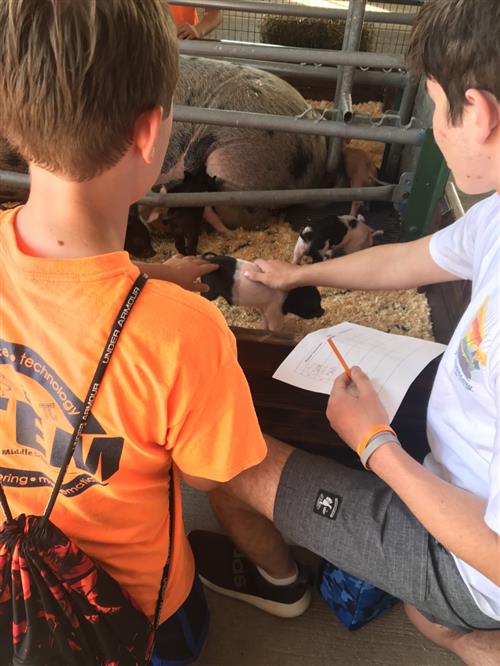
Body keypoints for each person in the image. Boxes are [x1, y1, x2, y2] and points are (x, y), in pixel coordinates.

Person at [191, 1, 500, 663]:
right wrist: (302, 278)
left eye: (438, 109)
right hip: (460, 446)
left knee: (227, 461)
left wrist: (374, 444)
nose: (438, 133)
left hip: (469, 562)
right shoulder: (496, 215)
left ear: (478, 113)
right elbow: (411, 258)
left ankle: (283, 586)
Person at [0, 2, 274, 664]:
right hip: (139, 606)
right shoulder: (187, 334)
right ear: (151, 134)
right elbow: (214, 477)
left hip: (14, 577)